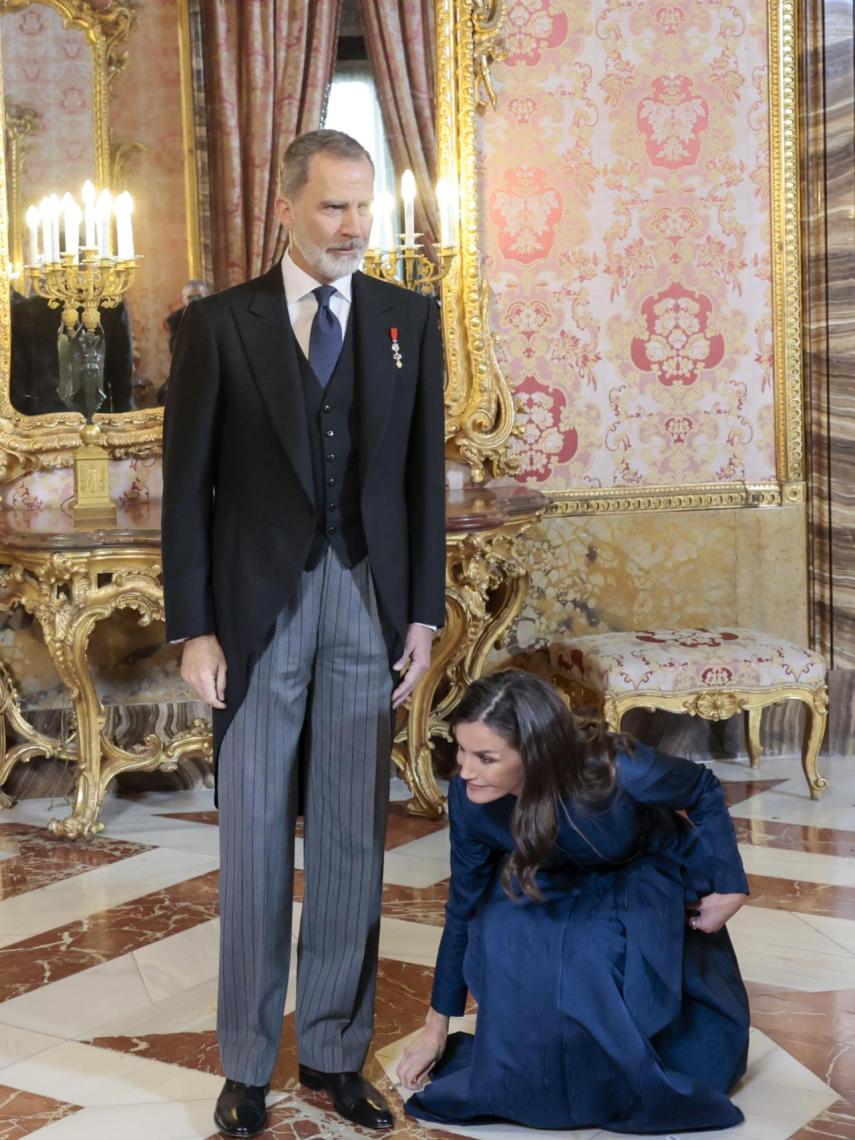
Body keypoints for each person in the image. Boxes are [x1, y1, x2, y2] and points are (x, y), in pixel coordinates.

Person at [162, 129, 446, 1137]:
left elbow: (421, 480)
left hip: (367, 603)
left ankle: (331, 1053)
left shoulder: (408, 318)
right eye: (333, 206)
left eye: (364, 206)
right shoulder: (216, 327)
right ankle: (246, 1066)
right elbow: (186, 491)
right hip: (254, 613)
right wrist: (192, 626)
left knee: (349, 844)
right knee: (249, 845)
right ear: (285, 208)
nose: (354, 227)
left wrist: (423, 611)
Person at [398, 670, 750, 1134]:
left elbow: (701, 787)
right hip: (551, 872)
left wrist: (731, 885)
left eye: (486, 757)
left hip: (639, 870)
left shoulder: (614, 766)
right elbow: (462, 905)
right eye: (461, 750)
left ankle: (615, 1068)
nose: (465, 771)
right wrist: (435, 1024)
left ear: (535, 753)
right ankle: (538, 1069)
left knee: (588, 952)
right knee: (500, 929)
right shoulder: (470, 798)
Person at [157, 280, 211, 405]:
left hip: (210, 367)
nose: (194, 301)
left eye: (199, 297)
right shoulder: (175, 319)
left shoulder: (216, 315)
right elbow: (175, 350)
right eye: (190, 297)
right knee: (165, 396)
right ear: (183, 299)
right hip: (186, 368)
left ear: (208, 296)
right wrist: (188, 321)